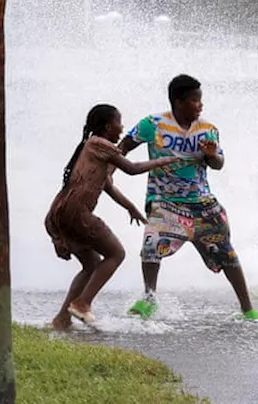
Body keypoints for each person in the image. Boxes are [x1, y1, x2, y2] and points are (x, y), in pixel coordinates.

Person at [119, 74, 258, 321]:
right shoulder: (152, 124)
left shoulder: (207, 130)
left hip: (202, 203)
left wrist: (210, 155)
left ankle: (247, 309)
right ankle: (149, 299)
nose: (200, 105)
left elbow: (218, 164)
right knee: (151, 245)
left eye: (201, 100)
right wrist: (104, 172)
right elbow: (121, 149)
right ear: (179, 101)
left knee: (227, 254)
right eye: (195, 100)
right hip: (165, 201)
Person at [46, 103, 181, 329]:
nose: (122, 127)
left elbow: (107, 185)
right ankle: (82, 303)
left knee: (91, 265)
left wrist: (130, 208)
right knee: (116, 253)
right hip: (77, 212)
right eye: (119, 122)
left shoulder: (90, 148)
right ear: (108, 126)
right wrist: (162, 160)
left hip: (59, 213)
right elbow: (132, 168)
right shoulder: (101, 144)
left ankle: (62, 318)